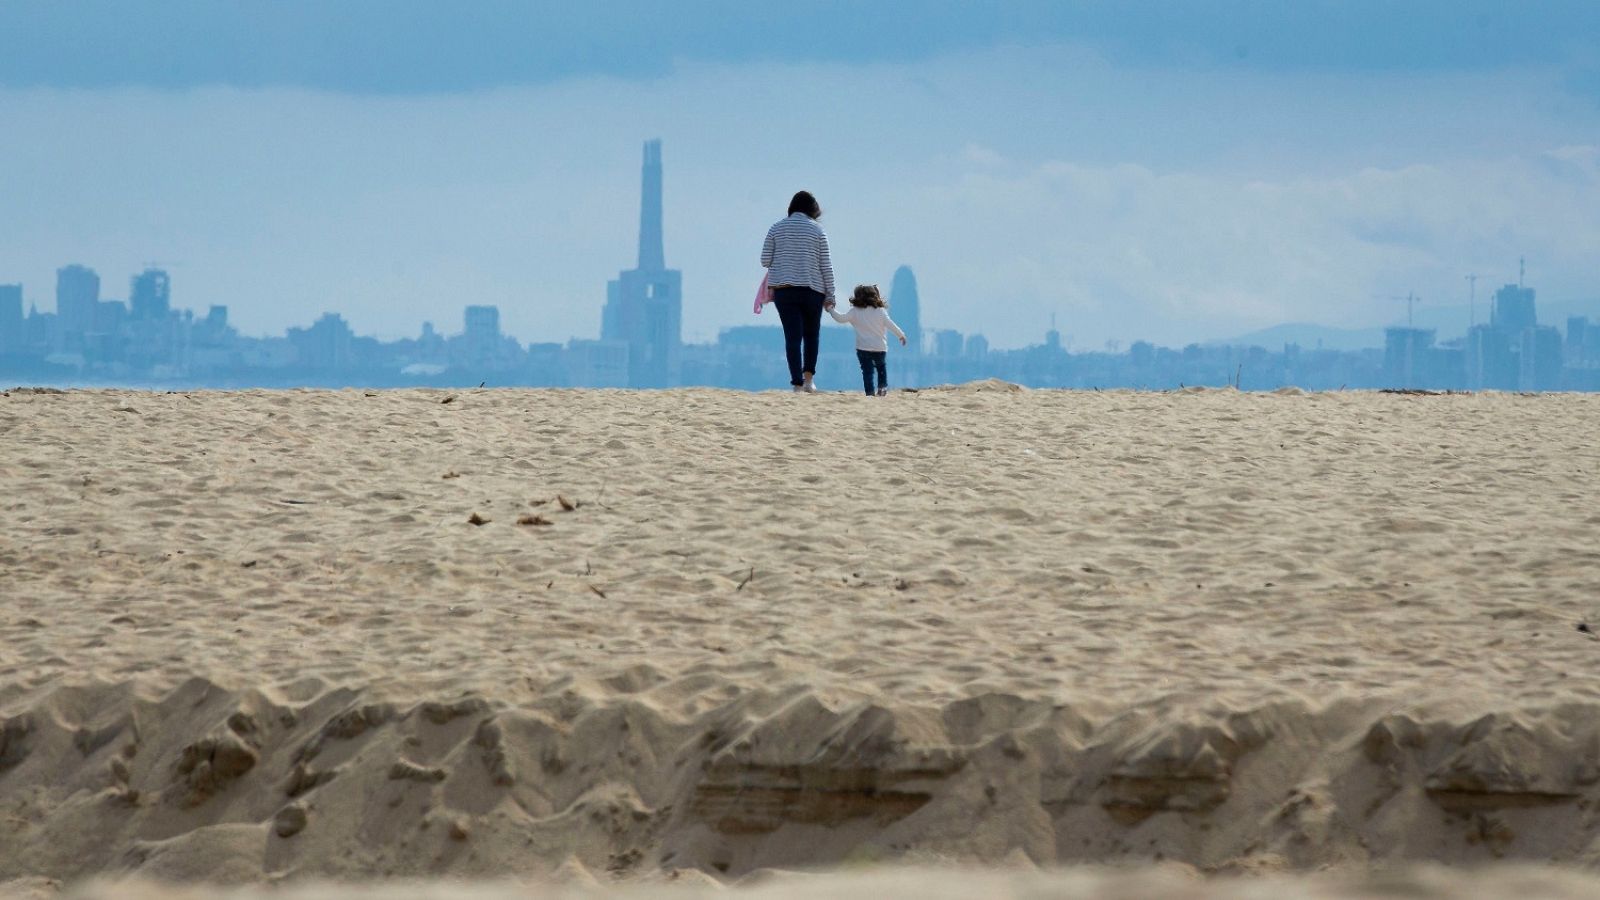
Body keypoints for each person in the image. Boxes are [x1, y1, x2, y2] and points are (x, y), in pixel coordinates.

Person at [761, 191, 835, 393]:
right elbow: (826, 265)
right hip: (813, 290)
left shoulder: (776, 228)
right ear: (813, 210)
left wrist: (784, 257)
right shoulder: (818, 231)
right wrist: (831, 294)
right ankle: (809, 380)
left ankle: (796, 384)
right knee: (812, 335)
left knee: (792, 337)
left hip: (785, 291)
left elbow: (765, 260)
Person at [827, 284, 906, 396]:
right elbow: (891, 325)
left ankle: (869, 393)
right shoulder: (880, 311)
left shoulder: (855, 311)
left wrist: (830, 309)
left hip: (863, 348)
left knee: (867, 372)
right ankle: (882, 388)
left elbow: (840, 318)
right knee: (881, 369)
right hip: (879, 347)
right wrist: (901, 335)